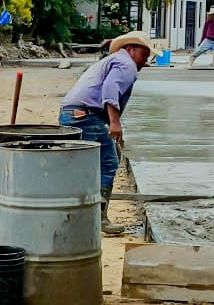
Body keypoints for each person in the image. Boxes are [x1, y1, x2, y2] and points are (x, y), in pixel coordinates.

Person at [58, 30, 152, 235]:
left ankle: (79, 213)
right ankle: (98, 217)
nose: (145, 61)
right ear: (131, 49)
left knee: (87, 164)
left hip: (73, 113)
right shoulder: (126, 64)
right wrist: (115, 122)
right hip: (84, 116)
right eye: (144, 55)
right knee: (108, 162)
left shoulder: (116, 60)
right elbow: (110, 90)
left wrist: (113, 126)